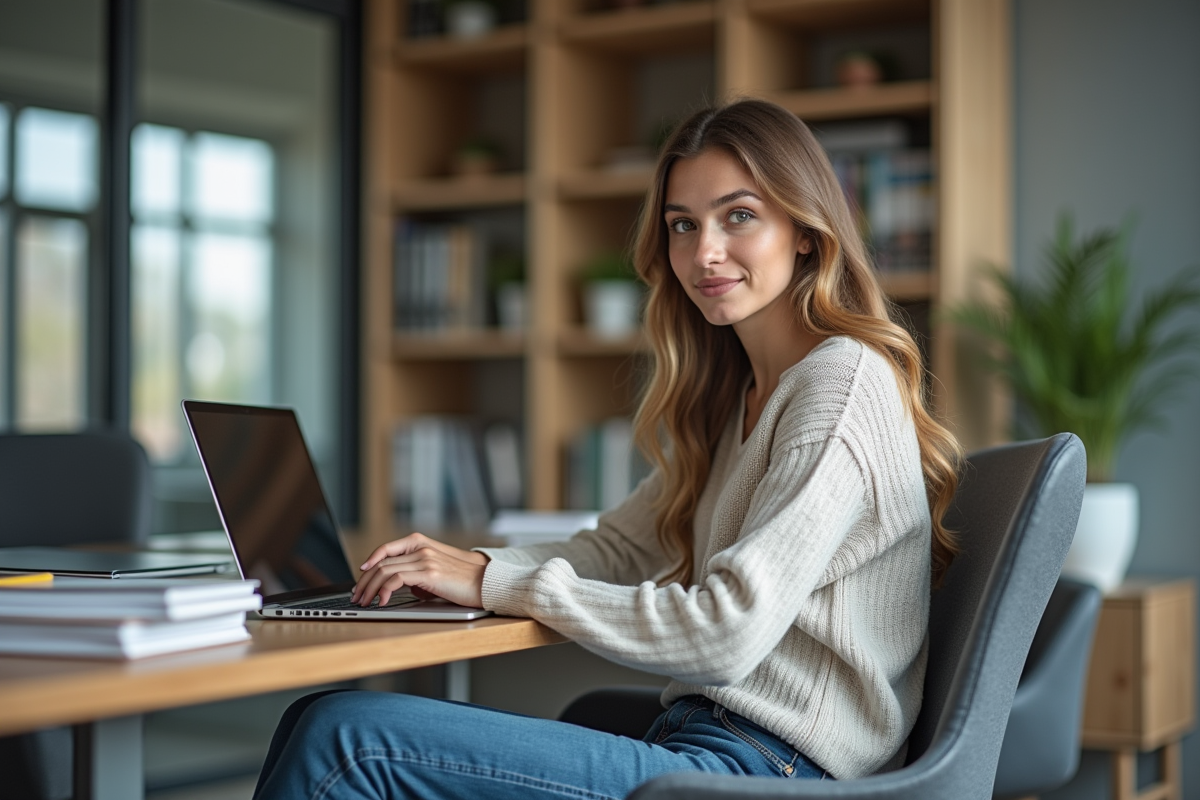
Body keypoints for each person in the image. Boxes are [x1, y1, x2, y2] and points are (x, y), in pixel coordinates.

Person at [252, 98, 963, 800]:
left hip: (775, 772)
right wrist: (471, 568)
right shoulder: (741, 397)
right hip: (711, 743)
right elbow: (617, 551)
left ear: (805, 231)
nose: (703, 252)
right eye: (683, 225)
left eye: (738, 216)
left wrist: (493, 583)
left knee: (344, 741)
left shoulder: (840, 384)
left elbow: (726, 635)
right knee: (312, 722)